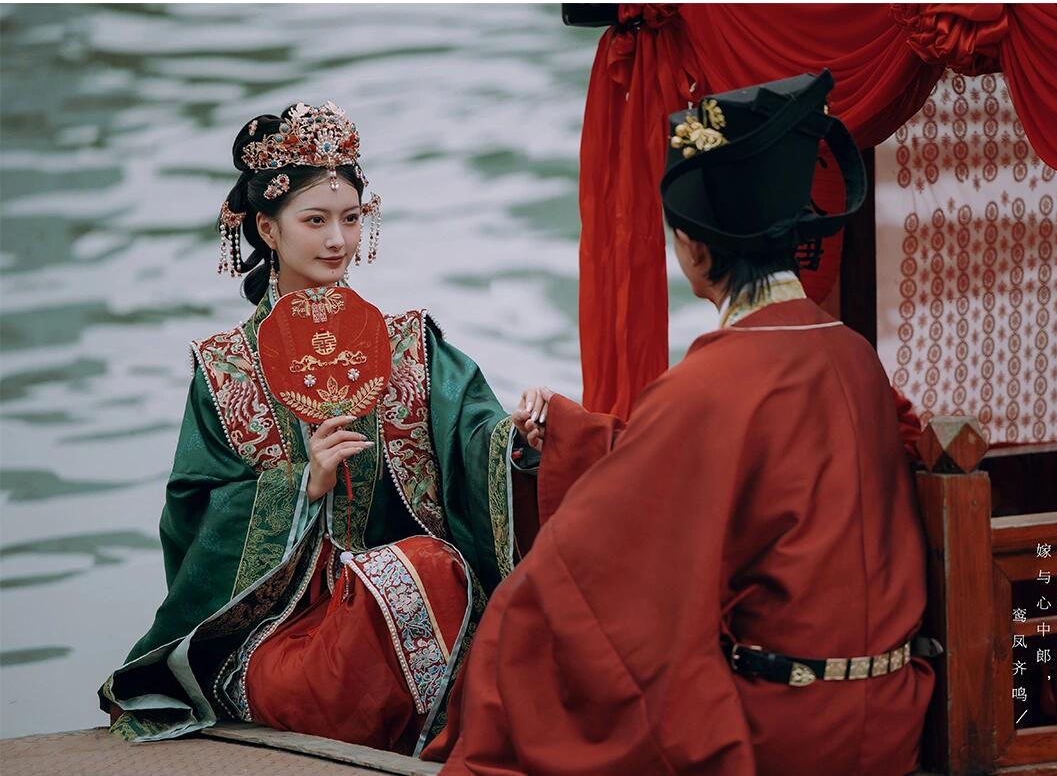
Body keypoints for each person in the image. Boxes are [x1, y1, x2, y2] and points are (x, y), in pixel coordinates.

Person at [430, 73, 936, 776]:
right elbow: (739, 474)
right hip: (893, 714)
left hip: (786, 730)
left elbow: (588, 562)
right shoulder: (853, 356)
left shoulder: (709, 382)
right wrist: (574, 435)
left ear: (694, 250)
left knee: (533, 621)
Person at [99, 101, 536, 758]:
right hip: (279, 633)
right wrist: (300, 485)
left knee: (423, 572)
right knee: (407, 589)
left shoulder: (409, 347)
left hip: (412, 599)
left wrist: (519, 442)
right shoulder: (226, 370)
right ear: (267, 229)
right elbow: (191, 524)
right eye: (315, 219)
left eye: (351, 218)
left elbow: (475, 439)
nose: (338, 240)